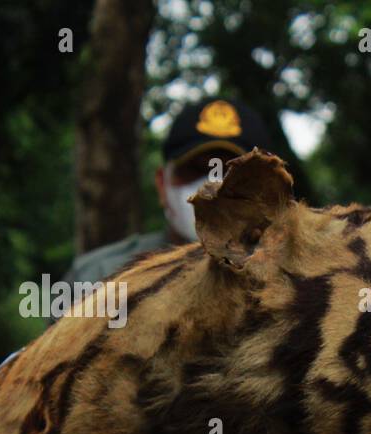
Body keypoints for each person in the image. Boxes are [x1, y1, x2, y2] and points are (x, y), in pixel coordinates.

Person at [60, 97, 275, 290]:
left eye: (236, 175)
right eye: (195, 170)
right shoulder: (97, 279)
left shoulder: (297, 284)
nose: (214, 187)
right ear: (162, 185)